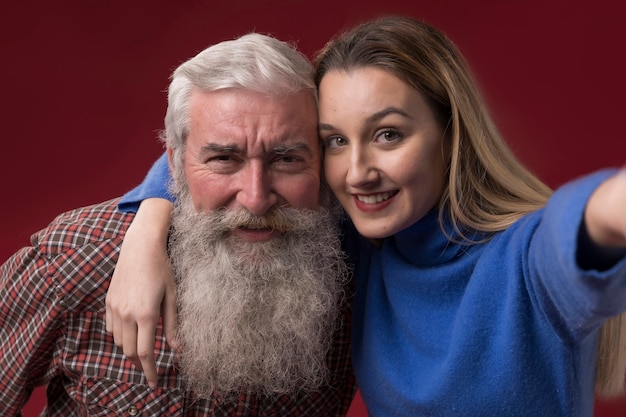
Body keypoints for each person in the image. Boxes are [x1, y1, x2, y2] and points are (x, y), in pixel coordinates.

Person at [105, 15, 626, 416]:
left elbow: (596, 212)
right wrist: (147, 232)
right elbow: (218, 147)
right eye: (334, 140)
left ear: (451, 134)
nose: (357, 173)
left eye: (388, 135)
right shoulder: (359, 239)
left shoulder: (528, 258)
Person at [0, 32, 357, 416]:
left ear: (323, 162)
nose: (256, 198)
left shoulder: (354, 271)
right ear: (174, 163)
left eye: (286, 159)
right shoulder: (72, 262)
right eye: (224, 158)